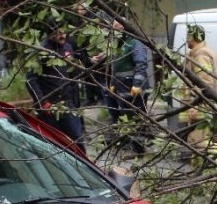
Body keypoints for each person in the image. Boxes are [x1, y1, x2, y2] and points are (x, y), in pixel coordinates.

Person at [94, 16, 151, 153]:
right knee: (126, 117)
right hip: (122, 88)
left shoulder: (134, 42)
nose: (115, 29)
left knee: (136, 118)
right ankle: (130, 142)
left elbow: (141, 64)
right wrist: (113, 83)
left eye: (117, 26)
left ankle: (139, 148)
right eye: (114, 27)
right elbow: (115, 67)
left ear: (124, 26)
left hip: (134, 88)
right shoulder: (118, 44)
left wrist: (137, 84)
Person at [26, 22, 85, 153]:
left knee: (77, 139)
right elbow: (30, 80)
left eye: (63, 32)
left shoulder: (68, 47)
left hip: (68, 104)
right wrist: (42, 103)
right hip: (50, 107)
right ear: (50, 35)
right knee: (51, 143)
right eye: (58, 33)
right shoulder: (42, 51)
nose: (62, 36)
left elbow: (74, 74)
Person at [178, 25, 217, 165]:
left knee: (198, 141)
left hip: (201, 106)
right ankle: (195, 173)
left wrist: (195, 104)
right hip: (203, 105)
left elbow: (204, 82)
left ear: (193, 37)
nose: (186, 40)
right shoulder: (201, 52)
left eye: (188, 36)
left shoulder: (200, 55)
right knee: (196, 143)